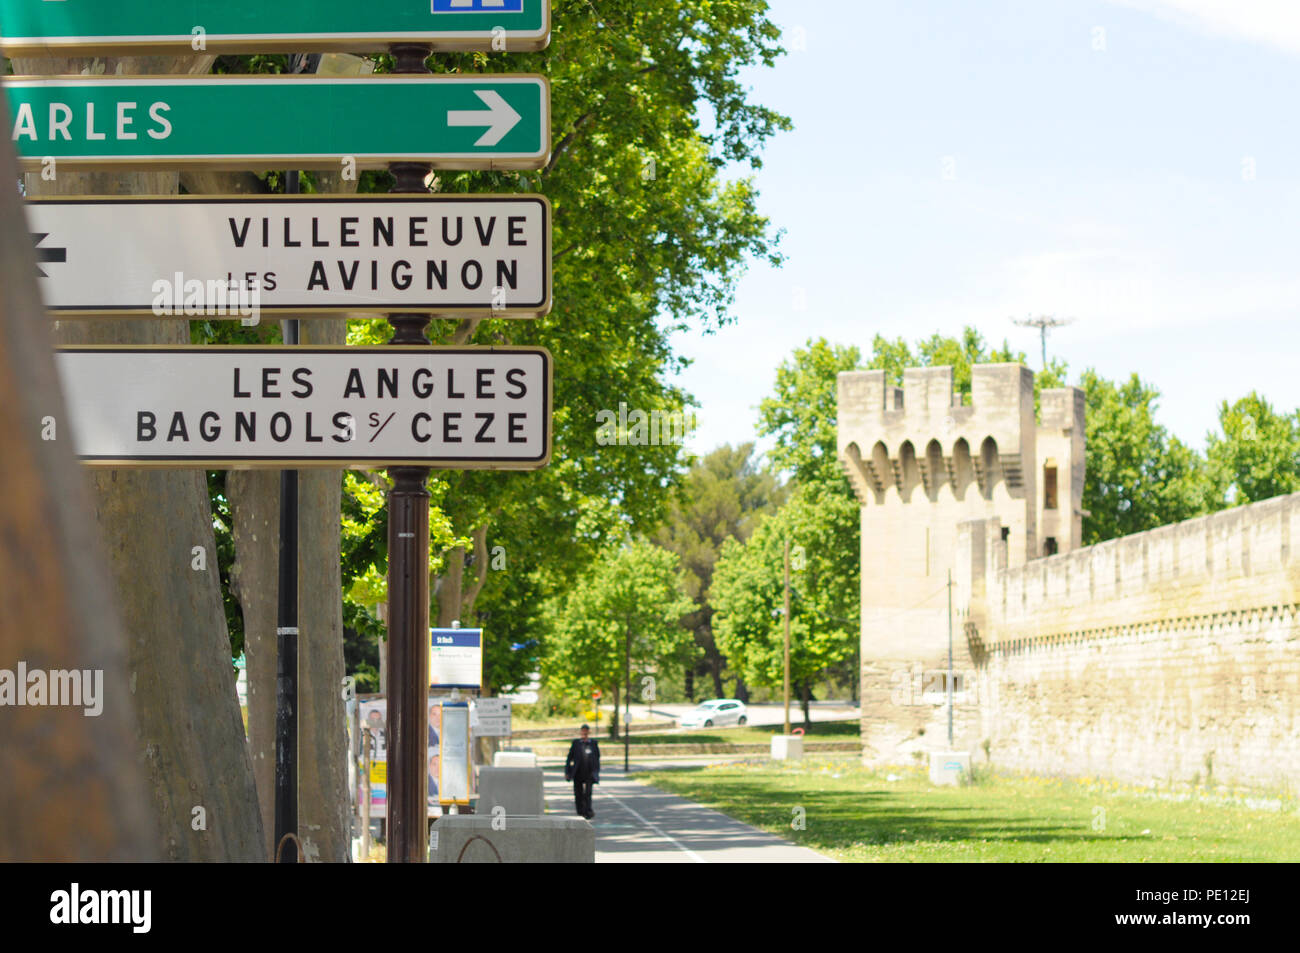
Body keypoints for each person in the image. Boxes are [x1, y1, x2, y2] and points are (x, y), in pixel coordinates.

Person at [564, 723, 600, 820]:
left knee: (588, 793)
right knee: (578, 793)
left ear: (588, 732)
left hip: (589, 772)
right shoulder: (576, 743)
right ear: (581, 732)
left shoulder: (593, 743)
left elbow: (597, 758)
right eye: (583, 731)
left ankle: (588, 810)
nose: (584, 733)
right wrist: (567, 772)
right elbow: (569, 758)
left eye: (586, 731)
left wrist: (596, 771)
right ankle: (580, 811)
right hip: (578, 773)